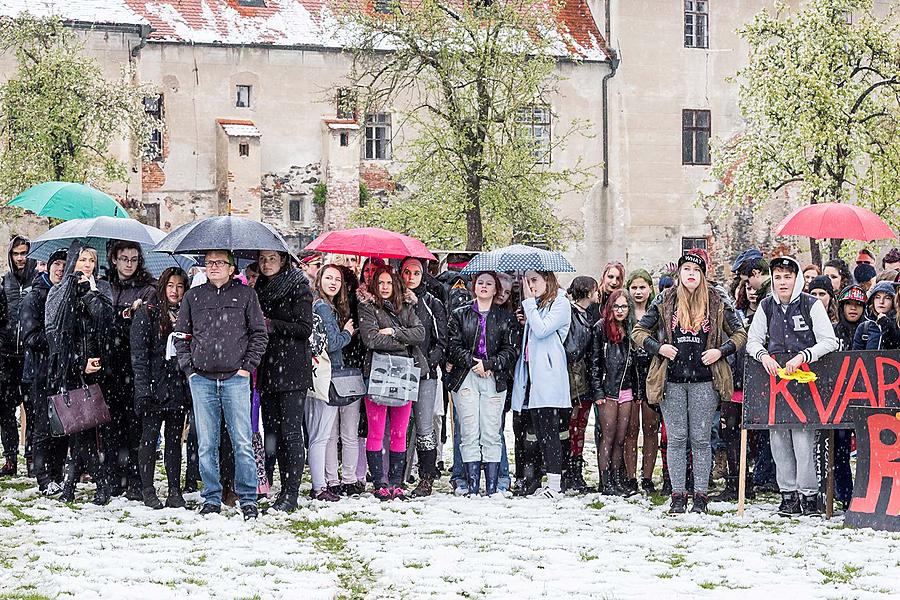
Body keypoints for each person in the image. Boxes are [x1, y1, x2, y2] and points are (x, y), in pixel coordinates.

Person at [632, 251, 746, 514]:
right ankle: (678, 496)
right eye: (686, 270)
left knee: (701, 440)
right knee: (677, 439)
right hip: (671, 380)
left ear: (702, 275)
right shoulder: (665, 299)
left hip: (705, 381)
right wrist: (658, 348)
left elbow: (740, 333)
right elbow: (638, 332)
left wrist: (721, 351)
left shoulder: (716, 300)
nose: (691, 274)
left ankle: (701, 498)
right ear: (680, 274)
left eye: (696, 270)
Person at [175, 250, 269, 520]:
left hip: (235, 379)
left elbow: (258, 334)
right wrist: (189, 369)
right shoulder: (193, 297)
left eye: (219, 263)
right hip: (201, 379)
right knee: (206, 443)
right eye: (209, 263)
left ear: (231, 268)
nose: (213, 267)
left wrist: (246, 368)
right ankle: (211, 497)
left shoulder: (246, 295)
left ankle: (248, 497)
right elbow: (181, 335)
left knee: (242, 442)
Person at [746, 256, 839, 517]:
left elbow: (829, 341)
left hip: (805, 380)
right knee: (778, 439)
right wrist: (763, 356)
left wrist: (804, 355)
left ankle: (808, 495)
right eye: (778, 277)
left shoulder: (811, 305)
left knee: (803, 439)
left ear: (796, 278)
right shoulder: (766, 306)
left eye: (787, 276)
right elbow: (753, 340)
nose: (783, 282)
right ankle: (787, 495)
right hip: (776, 381)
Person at [46, 245, 114, 504]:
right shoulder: (60, 292)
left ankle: (72, 487)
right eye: (82, 259)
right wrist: (77, 364)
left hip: (98, 370)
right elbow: (56, 336)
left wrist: (89, 293)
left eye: (92, 260)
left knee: (85, 430)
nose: (87, 264)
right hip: (70, 369)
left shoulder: (101, 288)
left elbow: (106, 322)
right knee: (78, 430)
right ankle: (96, 485)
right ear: (74, 261)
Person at [447, 271, 517, 496]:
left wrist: (490, 364)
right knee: (469, 431)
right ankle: (471, 484)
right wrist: (473, 362)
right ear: (473, 287)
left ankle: (493, 485)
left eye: (489, 284)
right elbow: (453, 345)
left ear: (496, 289)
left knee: (491, 431)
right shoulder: (460, 314)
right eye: (480, 283)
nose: (484, 287)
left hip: (494, 379)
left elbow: (510, 351)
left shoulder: (505, 318)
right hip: (465, 376)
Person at [358, 266, 425, 500]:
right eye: (381, 283)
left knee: (399, 431)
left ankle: (396, 481)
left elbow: (420, 333)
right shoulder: (367, 307)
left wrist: (393, 332)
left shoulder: (406, 306)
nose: (385, 287)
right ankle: (379, 482)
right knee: (376, 432)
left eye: (389, 282)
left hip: (404, 375)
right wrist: (403, 342)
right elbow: (371, 339)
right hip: (377, 373)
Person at [255, 250, 314, 510]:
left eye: (272, 259)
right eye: (263, 259)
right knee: (272, 432)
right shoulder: (259, 288)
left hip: (291, 368)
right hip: (267, 367)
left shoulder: (298, 286)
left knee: (291, 433)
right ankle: (279, 485)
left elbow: (304, 327)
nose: (267, 264)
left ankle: (291, 492)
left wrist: (273, 325)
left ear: (283, 260)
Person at [131, 267, 191, 509]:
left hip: (177, 386)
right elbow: (139, 355)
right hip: (154, 387)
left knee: (174, 441)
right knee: (149, 438)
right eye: (170, 285)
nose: (174, 291)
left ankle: (174, 489)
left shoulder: (187, 314)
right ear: (162, 286)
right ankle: (147, 488)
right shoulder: (148, 312)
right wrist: (143, 389)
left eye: (179, 286)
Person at [511, 270, 571, 499]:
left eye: (534, 280)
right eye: (526, 281)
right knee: (538, 432)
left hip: (549, 378)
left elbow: (543, 330)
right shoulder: (537, 305)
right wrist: (528, 313)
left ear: (548, 280)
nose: (530, 285)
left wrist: (529, 307)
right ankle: (544, 482)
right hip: (533, 379)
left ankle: (556, 486)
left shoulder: (560, 303)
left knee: (550, 432)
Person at [105, 240, 156, 499]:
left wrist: (135, 314)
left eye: (134, 259)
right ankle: (115, 476)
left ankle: (136, 479)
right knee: (112, 425)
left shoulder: (148, 289)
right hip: (109, 363)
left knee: (136, 424)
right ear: (114, 259)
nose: (128, 264)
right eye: (124, 258)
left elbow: (148, 324)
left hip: (137, 364)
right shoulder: (105, 286)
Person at [21, 249, 68, 494]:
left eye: (65, 264)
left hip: (64, 371)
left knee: (62, 426)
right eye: (57, 264)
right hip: (40, 371)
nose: (61, 269)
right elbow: (30, 336)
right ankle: (43, 477)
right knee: (42, 426)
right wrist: (54, 339)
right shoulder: (35, 296)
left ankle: (58, 474)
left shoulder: (69, 294)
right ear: (48, 267)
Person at [399, 257, 448, 497]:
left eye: (415, 273)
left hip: (425, 374)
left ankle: (426, 477)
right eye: (406, 272)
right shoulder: (393, 300)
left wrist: (429, 363)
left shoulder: (431, 303)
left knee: (425, 427)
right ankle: (396, 476)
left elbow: (441, 340)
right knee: (398, 427)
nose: (410, 277)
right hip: (397, 371)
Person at [317, 265, 363, 498]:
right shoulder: (323, 307)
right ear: (320, 280)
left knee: (344, 433)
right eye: (328, 278)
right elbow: (332, 343)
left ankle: (345, 479)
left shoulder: (338, 307)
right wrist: (347, 332)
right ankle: (337, 479)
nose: (333, 283)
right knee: (337, 432)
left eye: (337, 279)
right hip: (333, 373)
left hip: (346, 373)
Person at [589, 289, 637, 496]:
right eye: (616, 306)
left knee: (620, 437)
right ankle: (605, 480)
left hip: (626, 389)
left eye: (624, 306)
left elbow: (633, 364)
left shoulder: (631, 328)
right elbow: (594, 363)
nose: (619, 310)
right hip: (608, 390)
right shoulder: (600, 329)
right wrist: (598, 392)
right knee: (607, 437)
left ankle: (617, 479)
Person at [1, 235, 37, 476]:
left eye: (24, 253)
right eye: (17, 254)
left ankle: (33, 456)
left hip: (30, 354)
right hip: (6, 354)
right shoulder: (4, 283)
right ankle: (11, 457)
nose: (21, 258)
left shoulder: (37, 281)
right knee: (5, 409)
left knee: (33, 408)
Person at [624, 269, 660, 494]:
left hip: (650, 372)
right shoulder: (623, 312)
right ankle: (629, 476)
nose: (638, 292)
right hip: (629, 373)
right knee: (630, 430)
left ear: (649, 289)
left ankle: (647, 476)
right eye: (634, 287)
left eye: (642, 287)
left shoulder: (655, 313)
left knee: (650, 428)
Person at [564, 276, 599, 494]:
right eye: (595, 290)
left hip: (583, 377)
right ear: (587, 292)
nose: (598, 294)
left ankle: (576, 470)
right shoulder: (571, 314)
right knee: (572, 426)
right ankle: (570, 471)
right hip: (573, 378)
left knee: (580, 426)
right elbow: (573, 347)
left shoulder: (587, 315)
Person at [853, 280, 897, 350]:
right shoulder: (864, 327)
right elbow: (856, 356)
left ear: (894, 301)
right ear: (872, 300)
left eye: (887, 298)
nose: (881, 301)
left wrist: (888, 326)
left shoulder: (898, 325)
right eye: (877, 297)